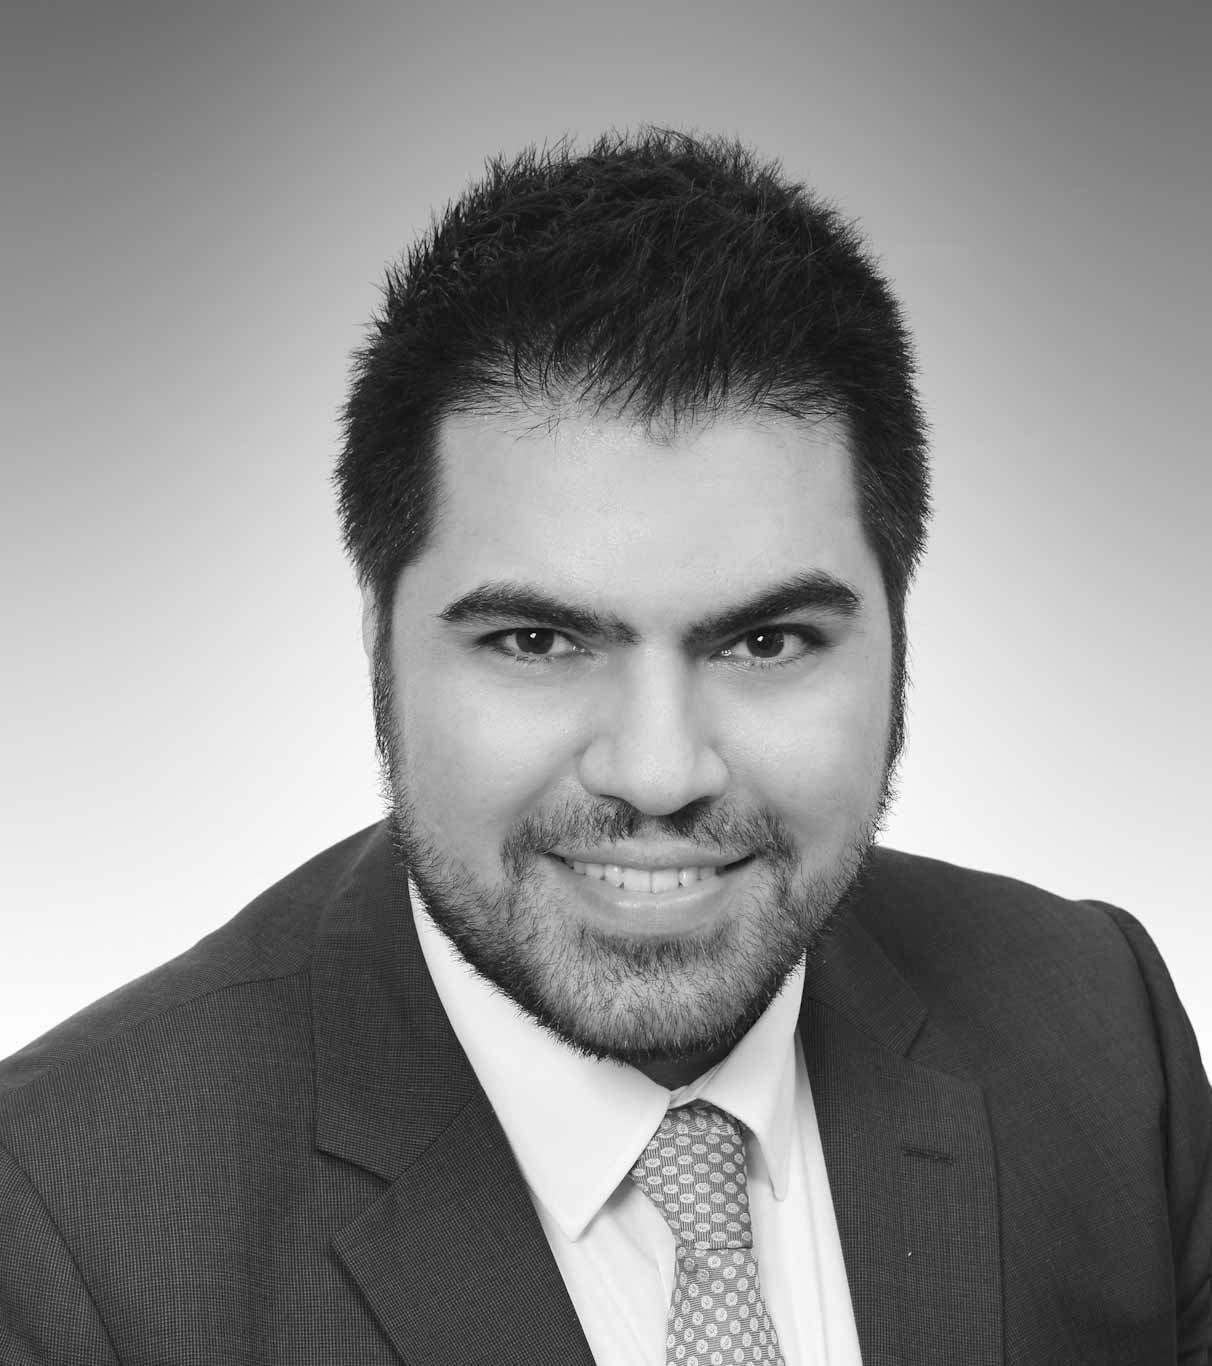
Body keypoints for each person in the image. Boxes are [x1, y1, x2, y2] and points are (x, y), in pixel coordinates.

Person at [0, 128, 1207, 1366]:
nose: (659, 771)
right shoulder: (59, 1228)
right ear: (378, 639)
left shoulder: (1102, 1031)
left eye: (767, 641)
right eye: (536, 640)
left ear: (900, 630)